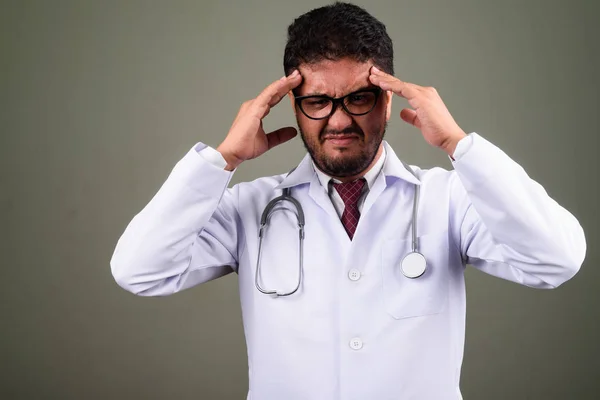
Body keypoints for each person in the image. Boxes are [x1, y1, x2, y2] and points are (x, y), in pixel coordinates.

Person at [110, 2, 586, 399]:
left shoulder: (450, 199)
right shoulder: (249, 209)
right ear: (292, 104)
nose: (337, 121)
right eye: (317, 102)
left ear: (387, 97)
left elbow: (555, 260)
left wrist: (460, 146)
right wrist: (222, 160)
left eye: (357, 98)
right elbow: (139, 271)